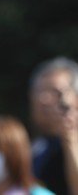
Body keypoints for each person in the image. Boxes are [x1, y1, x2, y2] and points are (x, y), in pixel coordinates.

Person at [29, 57, 78, 194]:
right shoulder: (37, 146)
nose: (43, 99)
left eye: (54, 92)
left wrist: (71, 139)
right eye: (38, 91)